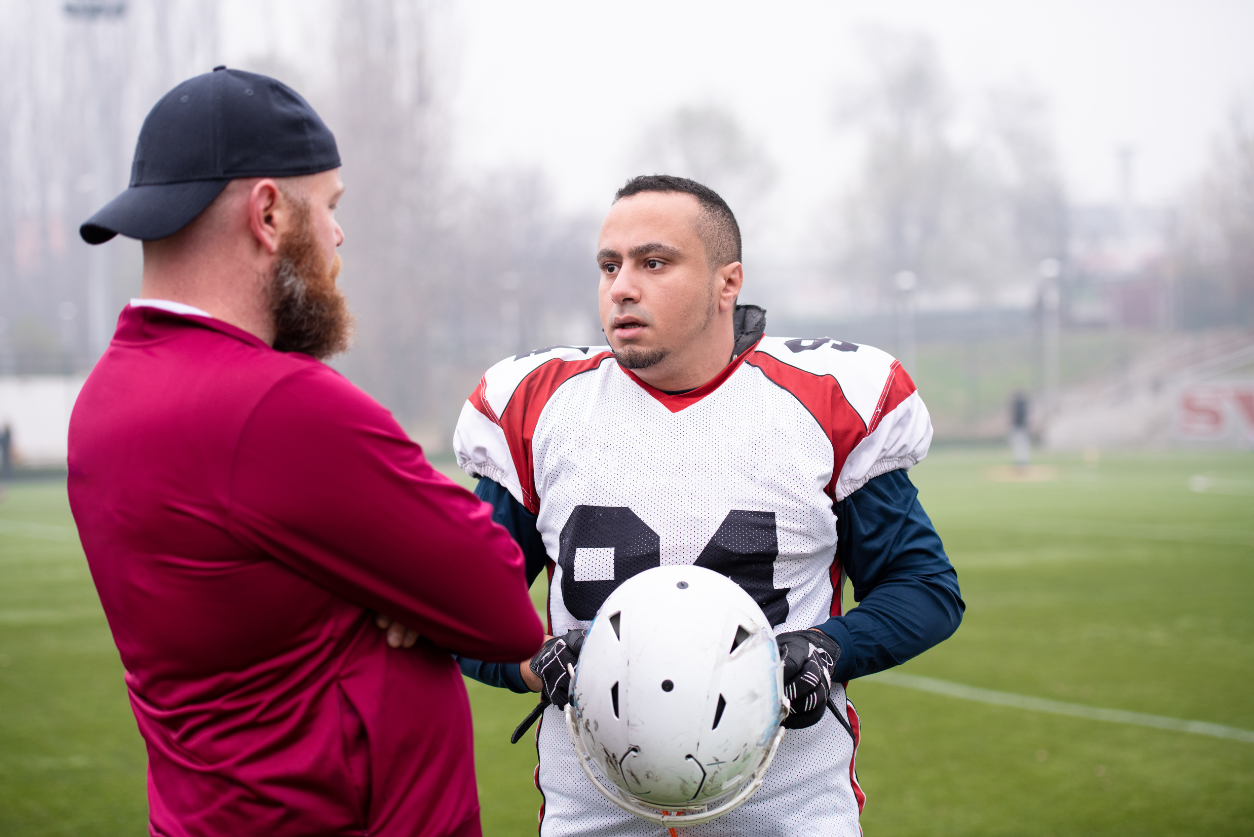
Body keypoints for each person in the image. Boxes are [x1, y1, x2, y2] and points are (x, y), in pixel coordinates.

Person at [67, 67, 543, 837]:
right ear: (267, 213)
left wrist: (380, 596)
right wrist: (403, 597)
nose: (338, 234)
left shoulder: (104, 396)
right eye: (329, 206)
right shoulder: (275, 404)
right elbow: (497, 599)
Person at [451, 176, 964, 836]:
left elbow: (925, 588)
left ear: (729, 283)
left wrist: (830, 648)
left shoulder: (829, 399)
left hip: (789, 810)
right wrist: (531, 665)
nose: (623, 287)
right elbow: (454, 606)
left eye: (654, 262)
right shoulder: (537, 409)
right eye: (610, 266)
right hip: (594, 814)